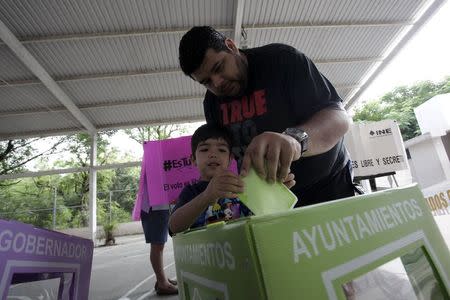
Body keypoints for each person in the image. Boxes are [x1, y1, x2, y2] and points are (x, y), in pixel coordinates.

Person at [178, 26, 355, 207]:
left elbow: (339, 119)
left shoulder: (282, 61)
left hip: (330, 186)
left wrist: (294, 141)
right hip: (271, 202)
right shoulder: (212, 103)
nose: (217, 82)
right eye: (206, 82)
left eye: (219, 67)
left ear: (231, 46)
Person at [169, 124, 253, 234]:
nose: (213, 154)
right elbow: (173, 228)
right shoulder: (191, 191)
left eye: (222, 150)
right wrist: (207, 196)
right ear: (193, 159)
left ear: (230, 158)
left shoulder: (240, 186)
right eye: (205, 149)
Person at [140, 202, 178, 295]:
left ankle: (161, 279)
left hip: (156, 207)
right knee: (157, 245)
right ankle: (162, 283)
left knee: (159, 245)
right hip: (155, 207)